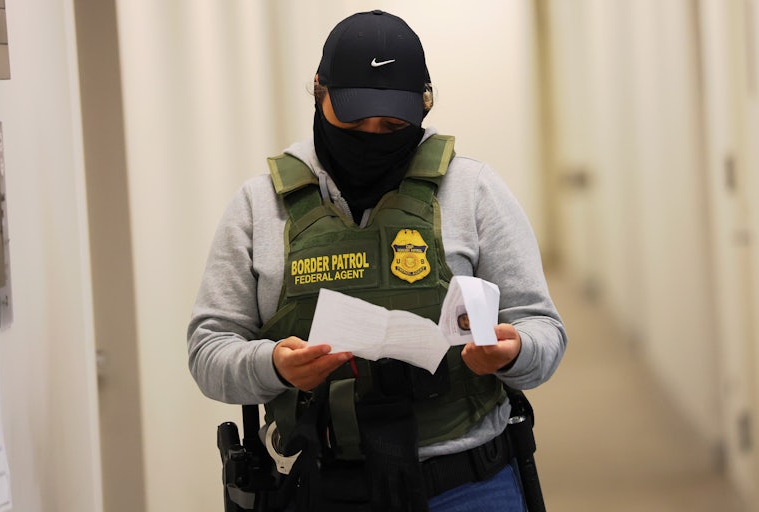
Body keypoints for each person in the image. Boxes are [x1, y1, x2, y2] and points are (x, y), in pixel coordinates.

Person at [188, 9, 567, 512]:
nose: (372, 134)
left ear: (424, 107)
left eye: (392, 123)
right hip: (320, 485)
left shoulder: (474, 191)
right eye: (353, 117)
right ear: (318, 92)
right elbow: (208, 350)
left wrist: (515, 351)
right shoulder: (260, 206)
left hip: (466, 484)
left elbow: (544, 331)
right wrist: (273, 365)